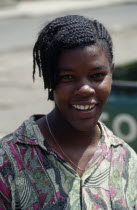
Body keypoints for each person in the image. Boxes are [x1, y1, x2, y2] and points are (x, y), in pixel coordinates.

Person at [0, 15, 137, 210]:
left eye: (97, 76)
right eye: (68, 77)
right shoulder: (9, 162)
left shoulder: (126, 161)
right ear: (49, 79)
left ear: (111, 74)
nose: (85, 89)